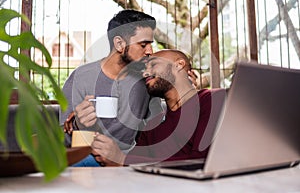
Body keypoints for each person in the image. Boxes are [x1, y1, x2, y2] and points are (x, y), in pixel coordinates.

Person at [60, 9, 163, 166]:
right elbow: (63, 138)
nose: (150, 51)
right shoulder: (81, 77)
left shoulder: (146, 81)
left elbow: (156, 134)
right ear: (119, 44)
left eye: (150, 44)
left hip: (127, 162)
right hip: (86, 159)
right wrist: (77, 125)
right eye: (143, 45)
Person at [91, 49, 226, 166]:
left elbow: (202, 161)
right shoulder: (153, 124)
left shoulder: (213, 100)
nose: (145, 73)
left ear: (179, 65)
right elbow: (130, 165)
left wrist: (123, 159)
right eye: (145, 69)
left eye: (153, 64)